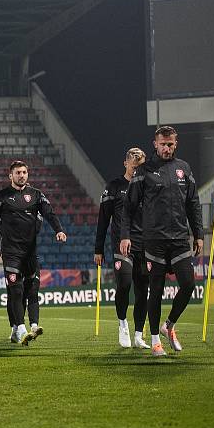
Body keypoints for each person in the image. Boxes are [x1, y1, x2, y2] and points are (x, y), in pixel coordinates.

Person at [121, 126, 203, 357]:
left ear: (175, 144)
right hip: (154, 241)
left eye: (170, 144)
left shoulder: (184, 169)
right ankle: (156, 340)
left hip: (179, 239)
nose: (166, 148)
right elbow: (129, 207)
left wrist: (198, 234)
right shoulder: (143, 171)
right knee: (155, 290)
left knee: (188, 285)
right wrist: (125, 235)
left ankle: (168, 325)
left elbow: (193, 204)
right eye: (162, 144)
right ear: (154, 144)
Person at [0, 160, 66, 346]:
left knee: (30, 290)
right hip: (11, 252)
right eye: (18, 172)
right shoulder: (0, 197)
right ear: (10, 176)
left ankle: (20, 328)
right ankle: (21, 329)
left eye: (24, 172)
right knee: (16, 289)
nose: (21, 175)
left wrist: (58, 230)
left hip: (30, 252)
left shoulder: (36, 195)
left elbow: (49, 213)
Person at [94, 148, 150, 349]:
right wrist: (98, 249)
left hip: (144, 246)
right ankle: (123, 323)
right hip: (121, 245)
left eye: (140, 167)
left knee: (143, 291)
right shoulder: (114, 187)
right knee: (125, 284)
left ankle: (138, 335)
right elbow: (103, 220)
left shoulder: (147, 187)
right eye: (134, 167)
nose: (137, 171)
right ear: (126, 163)